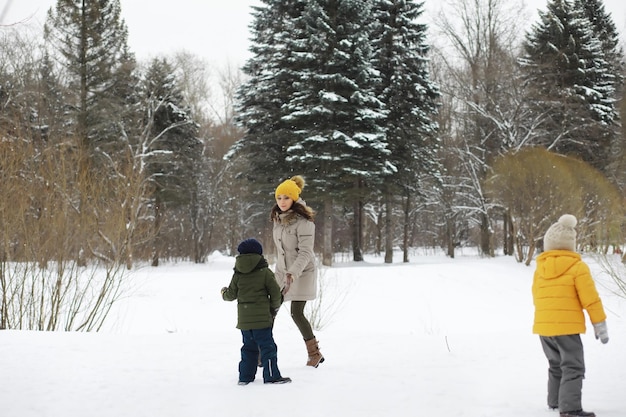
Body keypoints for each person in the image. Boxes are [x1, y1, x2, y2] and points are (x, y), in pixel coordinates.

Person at [532, 214, 609, 417]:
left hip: (544, 328)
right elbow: (590, 299)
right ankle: (570, 409)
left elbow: (537, 296)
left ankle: (555, 402)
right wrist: (599, 323)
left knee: (555, 365)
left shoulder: (540, 269)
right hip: (566, 328)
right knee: (573, 366)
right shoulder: (577, 267)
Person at [221, 238, 291, 385]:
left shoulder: (238, 274)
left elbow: (230, 296)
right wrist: (273, 308)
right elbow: (276, 295)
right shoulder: (265, 272)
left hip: (245, 322)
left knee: (248, 349)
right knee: (268, 348)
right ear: (259, 254)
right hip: (262, 321)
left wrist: (223, 292)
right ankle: (271, 376)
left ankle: (245, 377)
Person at [271, 175, 325, 367]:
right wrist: (279, 272)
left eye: (286, 197)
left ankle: (314, 353)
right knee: (270, 310)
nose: (282, 202)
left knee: (296, 312)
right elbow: (281, 251)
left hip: (301, 273)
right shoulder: (278, 219)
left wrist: (292, 273)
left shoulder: (305, 223)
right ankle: (263, 352)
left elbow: (305, 252)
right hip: (282, 272)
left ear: (294, 198)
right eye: (279, 197)